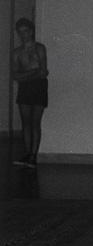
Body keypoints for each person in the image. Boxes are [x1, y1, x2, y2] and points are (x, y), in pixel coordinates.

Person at [12, 17, 48, 169]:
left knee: (35, 123)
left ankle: (33, 155)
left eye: (26, 31)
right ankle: (28, 154)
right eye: (20, 32)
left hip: (39, 87)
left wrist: (26, 75)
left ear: (31, 31)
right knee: (26, 123)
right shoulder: (17, 52)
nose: (23, 35)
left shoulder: (39, 48)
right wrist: (33, 72)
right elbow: (15, 75)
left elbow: (43, 72)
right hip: (25, 88)